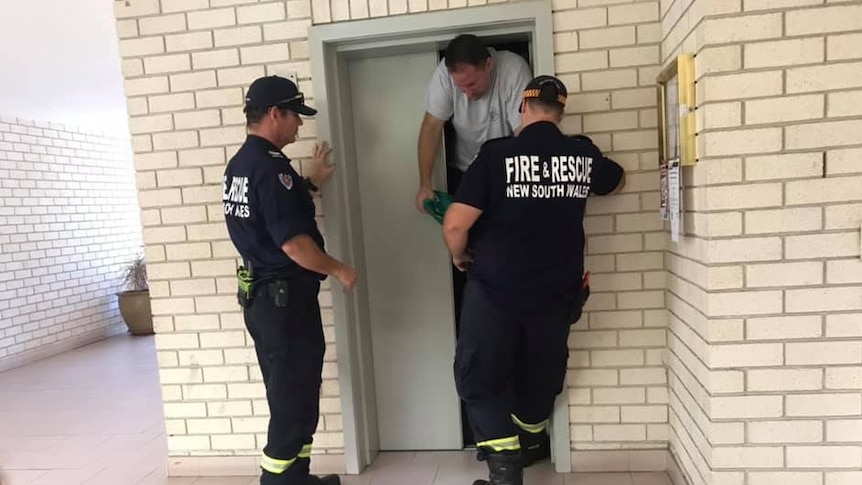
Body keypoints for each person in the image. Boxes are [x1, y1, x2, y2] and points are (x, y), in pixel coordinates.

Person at [442, 75, 626, 485]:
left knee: (480, 374)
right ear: (560, 112)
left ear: (522, 108)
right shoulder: (581, 154)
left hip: (496, 290)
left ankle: (505, 470)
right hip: (558, 292)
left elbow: (456, 224)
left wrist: (460, 257)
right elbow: (615, 180)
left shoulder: (496, 156)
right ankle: (530, 444)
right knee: (541, 371)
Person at [223, 75, 357, 485]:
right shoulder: (270, 168)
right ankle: (277, 479)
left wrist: (312, 182)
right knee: (293, 397)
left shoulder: (242, 165)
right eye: (295, 115)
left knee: (290, 393)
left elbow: (270, 212)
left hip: (265, 300)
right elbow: (294, 245)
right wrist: (338, 268)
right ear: (274, 113)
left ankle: (296, 478)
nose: (299, 125)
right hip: (285, 303)